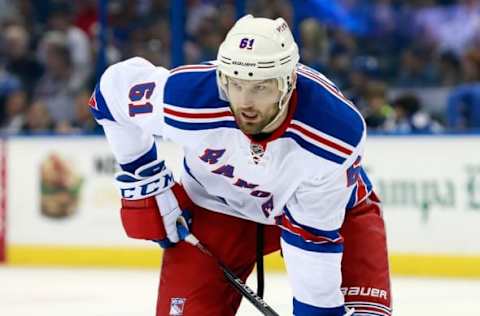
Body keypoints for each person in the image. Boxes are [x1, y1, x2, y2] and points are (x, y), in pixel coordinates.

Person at [90, 15, 391, 316]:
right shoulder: (188, 98)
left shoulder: (332, 134)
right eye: (236, 84)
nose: (244, 102)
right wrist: (145, 175)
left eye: (260, 88)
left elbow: (313, 239)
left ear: (288, 82)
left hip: (330, 217)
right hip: (216, 212)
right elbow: (110, 93)